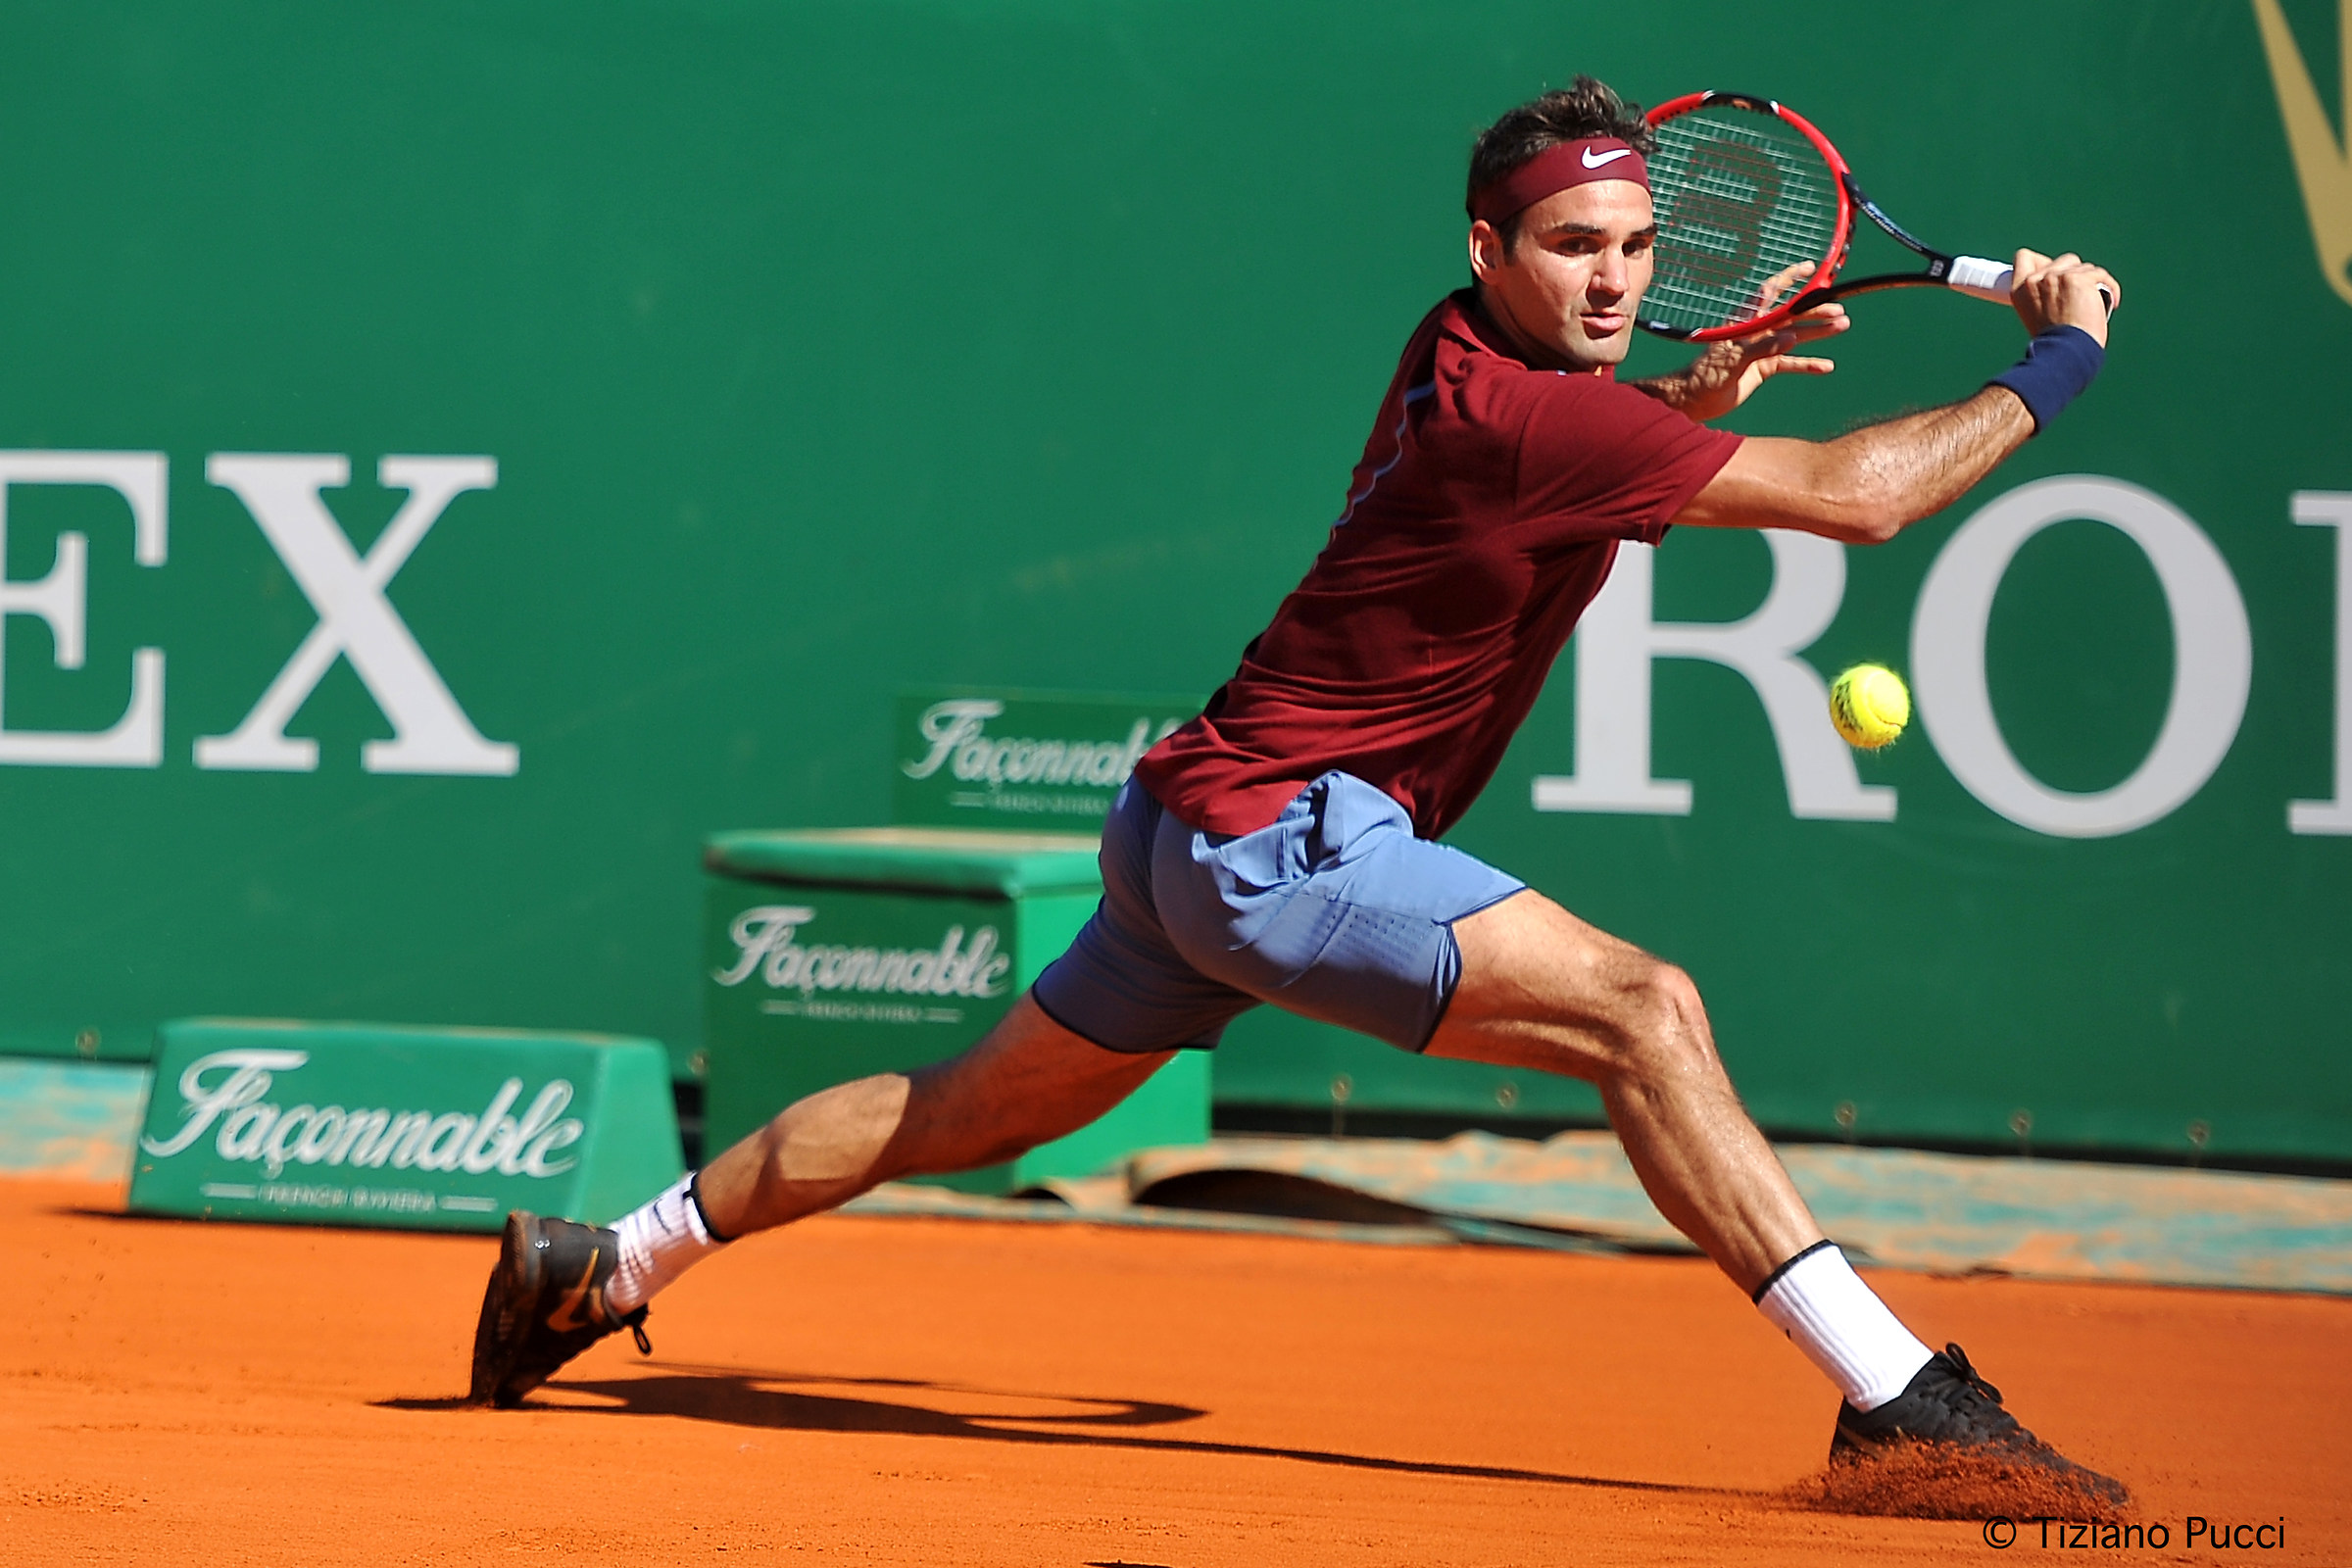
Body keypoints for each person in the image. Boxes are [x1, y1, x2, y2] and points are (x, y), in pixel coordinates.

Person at [467, 76, 2124, 1500]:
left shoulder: (1460, 350)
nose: (1616, 280)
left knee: (956, 1109)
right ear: (1492, 251)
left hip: (1184, 827)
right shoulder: (1549, 423)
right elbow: (1858, 499)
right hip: (1285, 846)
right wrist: (2057, 361)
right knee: (1647, 1012)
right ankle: (1900, 1401)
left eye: (1636, 249)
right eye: (1574, 248)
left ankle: (602, 1263)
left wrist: (1684, 412)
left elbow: (1565, 487)